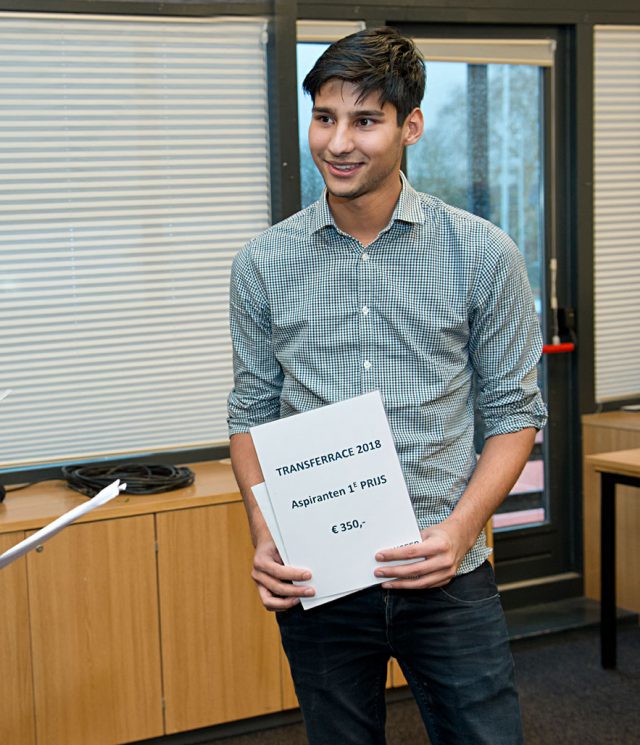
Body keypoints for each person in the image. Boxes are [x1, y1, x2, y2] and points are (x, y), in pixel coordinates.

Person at [227, 27, 547, 745]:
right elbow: (250, 411)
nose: (338, 142)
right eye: (325, 117)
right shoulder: (262, 265)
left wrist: (460, 529)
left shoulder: (482, 254)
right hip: (320, 576)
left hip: (448, 572)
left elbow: (514, 413)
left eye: (365, 120)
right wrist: (264, 529)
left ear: (411, 126)